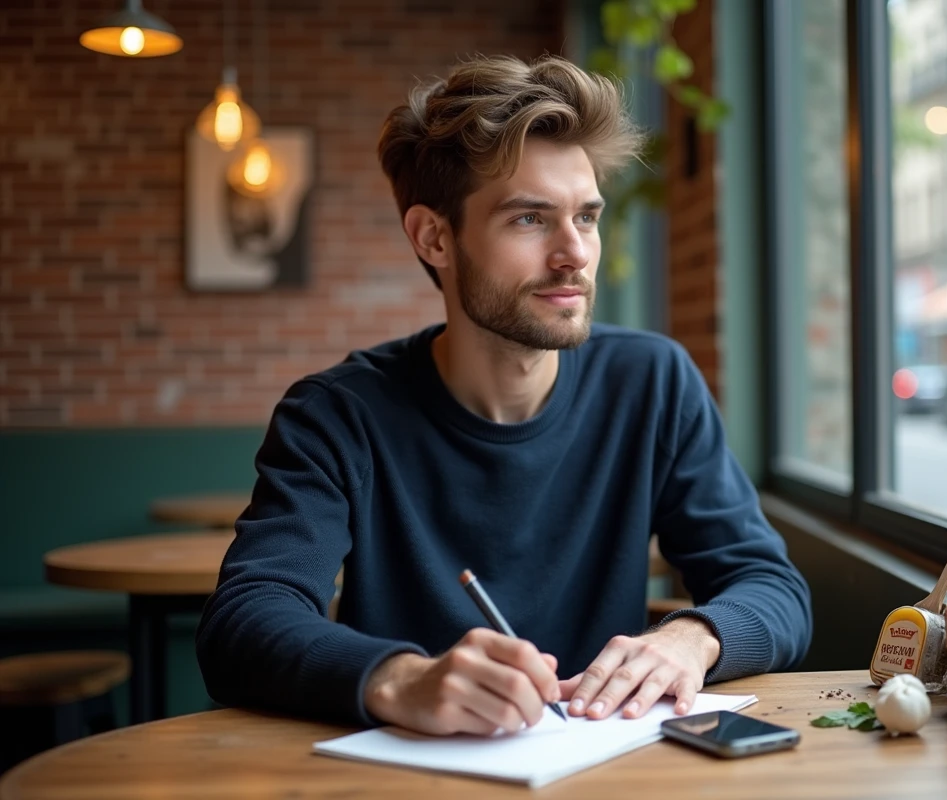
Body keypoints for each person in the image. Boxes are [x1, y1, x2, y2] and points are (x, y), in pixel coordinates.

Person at [196, 54, 812, 737]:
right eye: (529, 220)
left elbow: (772, 587)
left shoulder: (652, 381)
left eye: (587, 216)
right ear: (434, 237)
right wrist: (401, 678)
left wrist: (692, 637)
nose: (574, 252)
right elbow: (244, 621)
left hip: (608, 770)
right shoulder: (337, 415)